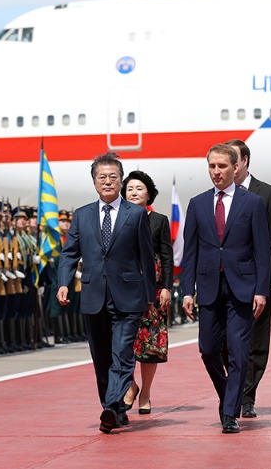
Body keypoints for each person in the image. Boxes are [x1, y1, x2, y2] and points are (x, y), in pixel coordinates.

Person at [56, 152, 155, 434]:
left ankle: (111, 406)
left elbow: (146, 258)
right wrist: (63, 281)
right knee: (102, 359)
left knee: (122, 354)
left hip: (129, 297)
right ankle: (116, 410)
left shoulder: (136, 214)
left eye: (114, 177)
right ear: (94, 182)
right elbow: (69, 253)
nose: (108, 182)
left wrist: (149, 297)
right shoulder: (82, 215)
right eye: (103, 177)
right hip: (93, 296)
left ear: (121, 180)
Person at [180, 143, 271, 434]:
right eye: (212, 166)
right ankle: (227, 395)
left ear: (235, 168)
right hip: (208, 287)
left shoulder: (252, 203)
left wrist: (261, 290)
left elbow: (261, 251)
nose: (216, 172)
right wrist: (186, 291)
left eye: (222, 166)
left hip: (242, 288)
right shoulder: (197, 203)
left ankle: (230, 413)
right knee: (207, 349)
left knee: (238, 351)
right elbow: (190, 252)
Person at [225, 138, 271, 419]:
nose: (229, 166)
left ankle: (247, 396)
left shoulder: (267, 193)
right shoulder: (221, 195)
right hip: (228, 277)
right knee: (228, 341)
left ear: (245, 161)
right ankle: (234, 391)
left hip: (259, 275)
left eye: (233, 160)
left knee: (257, 343)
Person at [120, 171, 172, 415]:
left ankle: (147, 393)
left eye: (139, 189)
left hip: (152, 291)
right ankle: (130, 386)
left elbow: (167, 257)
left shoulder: (158, 220)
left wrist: (168, 288)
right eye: (129, 189)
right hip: (124, 289)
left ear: (149, 193)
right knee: (122, 343)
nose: (134, 193)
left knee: (149, 344)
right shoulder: (117, 218)